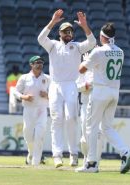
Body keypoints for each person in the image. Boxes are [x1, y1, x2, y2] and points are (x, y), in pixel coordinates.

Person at [37, 9, 96, 168]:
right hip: (55, 85)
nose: (68, 33)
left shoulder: (77, 47)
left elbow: (92, 43)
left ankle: (73, 153)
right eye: (64, 31)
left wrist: (84, 26)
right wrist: (52, 22)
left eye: (70, 31)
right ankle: (57, 155)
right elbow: (41, 38)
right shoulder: (53, 45)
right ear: (60, 34)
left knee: (71, 118)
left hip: (71, 85)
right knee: (57, 119)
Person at [76, 23, 130, 173]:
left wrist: (86, 59)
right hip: (114, 92)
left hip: (100, 92)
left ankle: (92, 163)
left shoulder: (98, 52)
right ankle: (125, 151)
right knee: (107, 127)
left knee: (92, 128)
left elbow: (81, 69)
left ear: (102, 36)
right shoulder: (120, 51)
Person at [13, 56, 50, 166]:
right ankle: (31, 152)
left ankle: (36, 162)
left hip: (42, 109)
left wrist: (47, 95)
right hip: (29, 109)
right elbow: (15, 91)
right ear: (31, 64)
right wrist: (23, 97)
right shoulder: (24, 78)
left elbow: (55, 94)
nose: (39, 65)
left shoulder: (47, 78)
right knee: (28, 134)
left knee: (40, 134)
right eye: (37, 63)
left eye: (41, 63)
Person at [76, 53, 104, 166]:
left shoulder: (101, 68)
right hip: (85, 104)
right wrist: (85, 86)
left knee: (98, 134)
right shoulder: (83, 70)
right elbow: (76, 86)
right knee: (84, 136)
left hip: (99, 104)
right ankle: (86, 157)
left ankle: (95, 160)